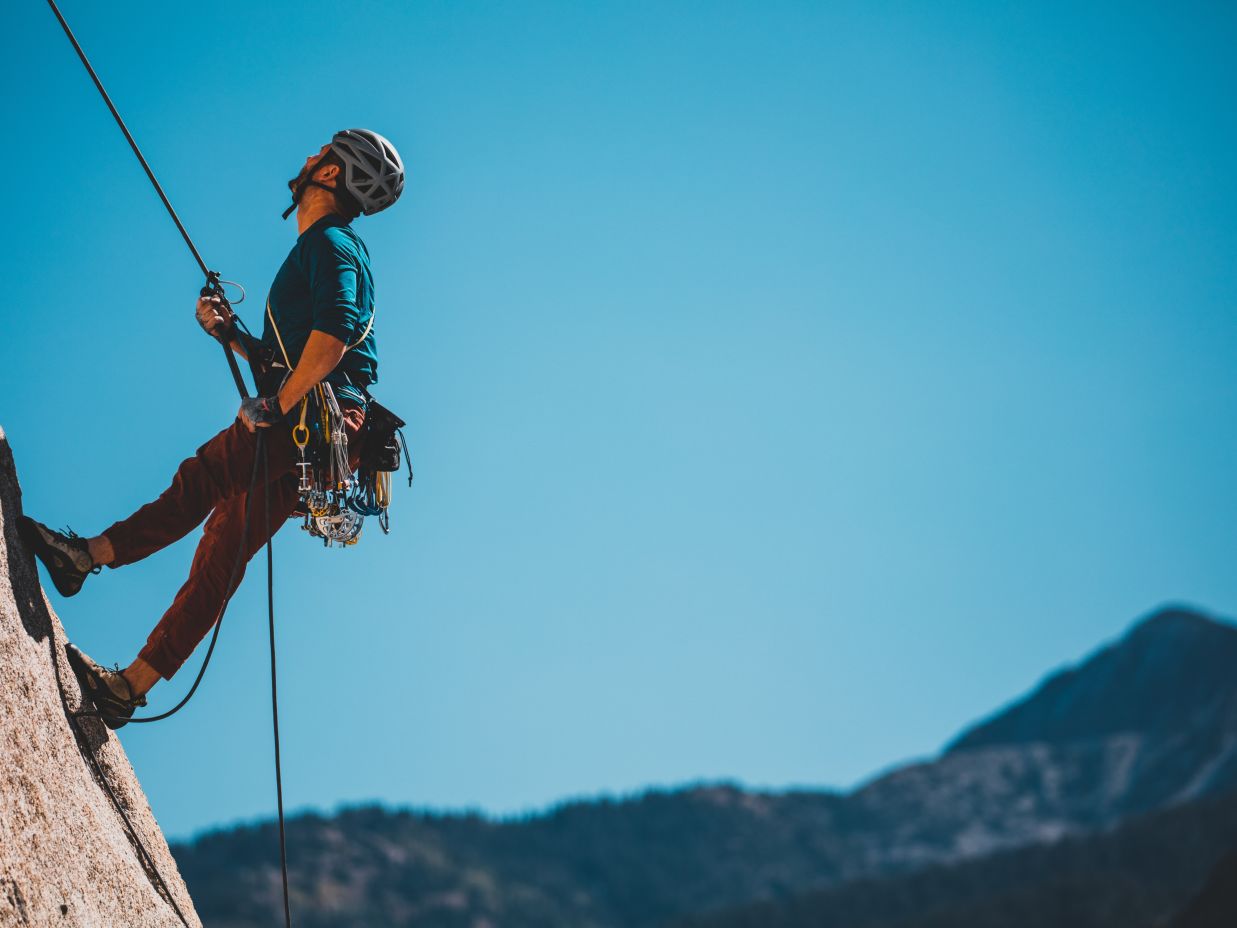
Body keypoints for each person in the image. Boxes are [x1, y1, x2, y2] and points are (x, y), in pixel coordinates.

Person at [19, 129, 405, 729]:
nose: (306, 157)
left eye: (318, 154)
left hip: (312, 418)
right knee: (222, 551)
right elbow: (306, 350)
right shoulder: (325, 246)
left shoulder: (331, 244)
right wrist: (231, 335)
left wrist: (277, 405)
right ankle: (129, 687)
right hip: (331, 437)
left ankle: (82, 557)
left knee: (200, 481)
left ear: (329, 174)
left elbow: (332, 340)